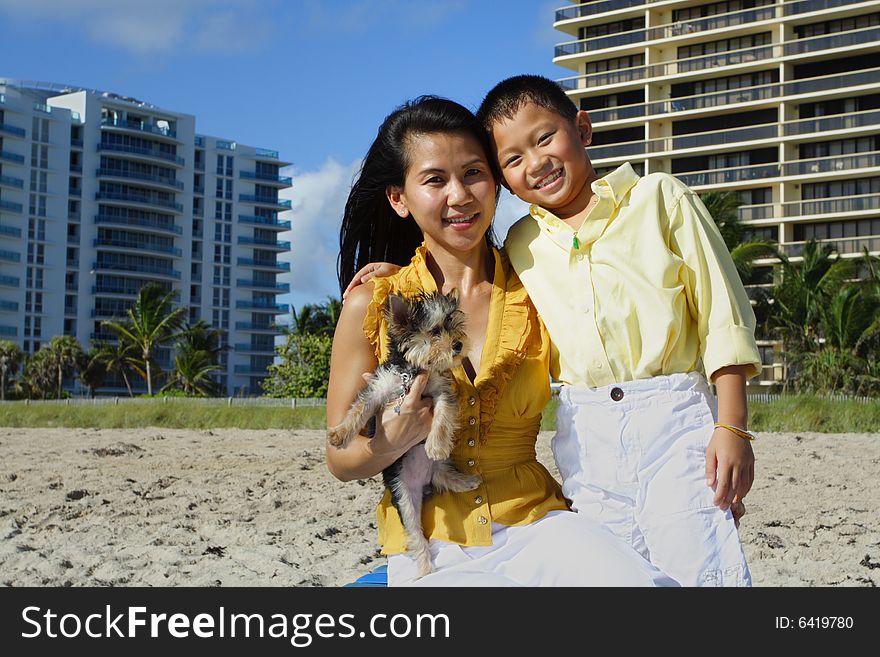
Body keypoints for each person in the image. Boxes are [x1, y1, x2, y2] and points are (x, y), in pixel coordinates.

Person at [346, 77, 760, 587]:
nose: (459, 195)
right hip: (505, 493)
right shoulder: (499, 258)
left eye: (475, 173)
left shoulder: (600, 230)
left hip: (611, 463)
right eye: (435, 180)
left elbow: (719, 316)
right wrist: (399, 274)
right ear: (399, 197)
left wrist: (730, 428)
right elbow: (340, 456)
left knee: (678, 578)